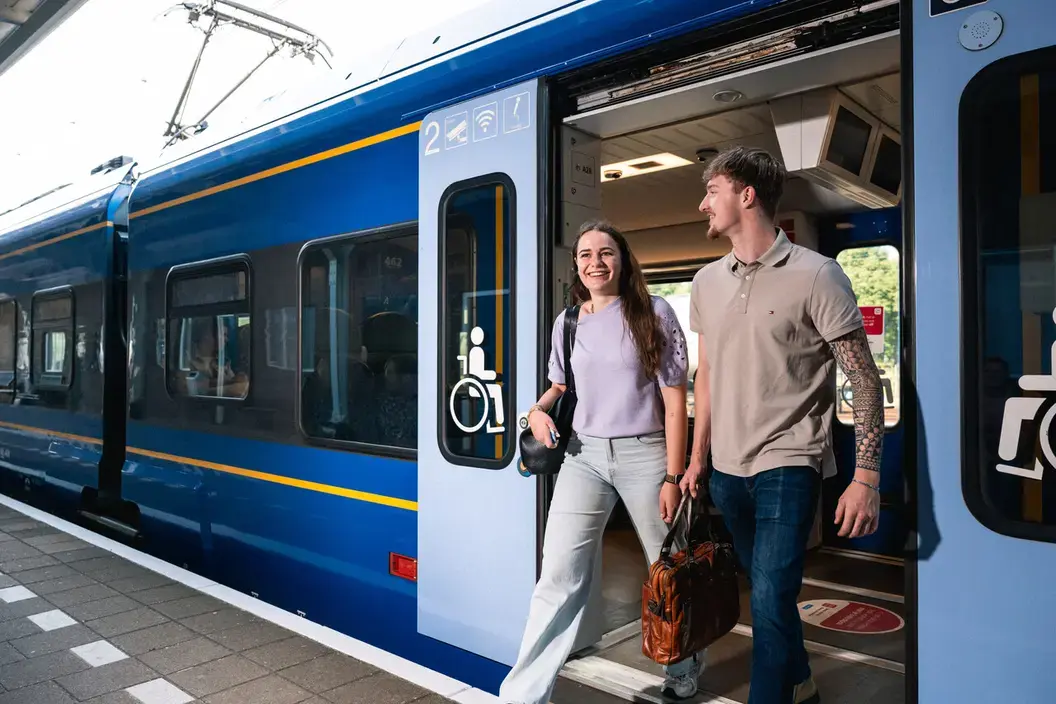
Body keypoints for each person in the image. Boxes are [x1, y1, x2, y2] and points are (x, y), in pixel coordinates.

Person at [682, 146, 884, 704]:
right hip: (727, 468)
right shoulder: (705, 281)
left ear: (747, 196)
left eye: (712, 192)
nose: (703, 205)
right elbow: (707, 376)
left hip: (790, 461)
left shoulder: (818, 275)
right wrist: (697, 460)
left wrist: (866, 477)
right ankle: (801, 683)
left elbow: (863, 378)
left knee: (771, 598)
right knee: (767, 595)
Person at [499, 220, 701, 704]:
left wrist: (673, 476)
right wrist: (535, 411)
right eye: (586, 254)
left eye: (606, 253)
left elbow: (675, 402)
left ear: (623, 260)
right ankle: (522, 696)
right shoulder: (568, 321)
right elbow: (560, 387)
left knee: (668, 569)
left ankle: (683, 667)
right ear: (576, 265)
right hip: (582, 456)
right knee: (558, 576)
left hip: (646, 454)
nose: (596, 262)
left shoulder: (653, 312)